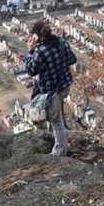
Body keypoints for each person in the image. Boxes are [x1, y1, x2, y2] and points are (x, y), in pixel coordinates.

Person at [23, 20, 78, 156]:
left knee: (56, 121)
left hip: (50, 91)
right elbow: (72, 59)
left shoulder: (40, 51)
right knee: (58, 115)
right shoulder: (62, 42)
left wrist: (30, 50)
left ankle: (60, 151)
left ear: (36, 36)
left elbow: (31, 70)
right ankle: (63, 140)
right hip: (64, 85)